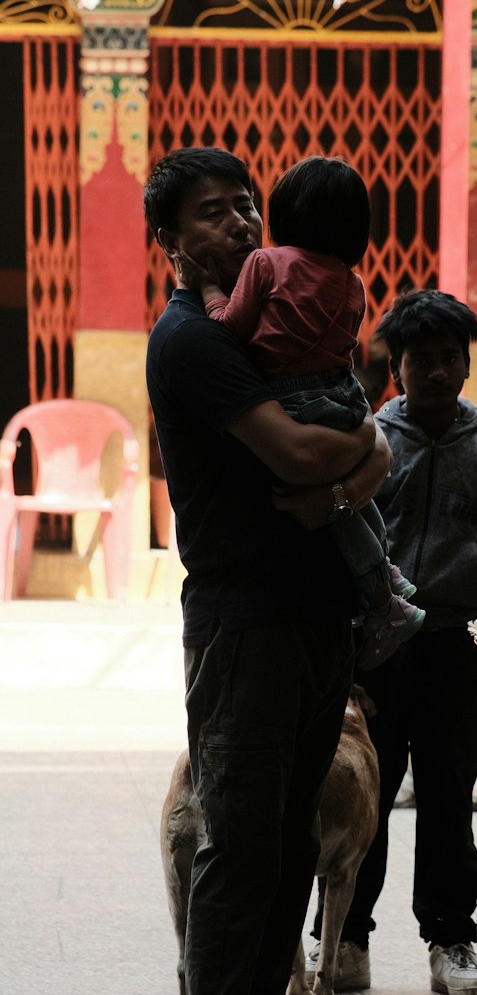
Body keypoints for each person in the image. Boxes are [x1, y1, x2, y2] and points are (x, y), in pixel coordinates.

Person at [144, 146, 391, 995]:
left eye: (246, 205)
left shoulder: (264, 320)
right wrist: (361, 458)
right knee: (239, 838)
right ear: (168, 242)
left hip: (312, 608)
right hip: (244, 619)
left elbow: (354, 447)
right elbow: (294, 445)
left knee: (288, 836)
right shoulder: (193, 341)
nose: (240, 223)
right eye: (211, 213)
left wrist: (352, 470)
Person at [329, 289, 477, 995]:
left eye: (447, 359)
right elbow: (338, 539)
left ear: (466, 365)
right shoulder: (367, 439)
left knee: (451, 799)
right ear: (395, 366)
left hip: (459, 645)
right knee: (365, 790)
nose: (433, 372)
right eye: (418, 360)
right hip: (378, 650)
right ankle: (345, 937)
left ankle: (452, 939)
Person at [183, 154, 423, 670]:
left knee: (335, 513)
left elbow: (229, 327)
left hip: (295, 398)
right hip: (344, 395)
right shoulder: (353, 283)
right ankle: (387, 570)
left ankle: (384, 601)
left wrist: (207, 289)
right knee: (348, 495)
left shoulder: (266, 264)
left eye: (248, 206)